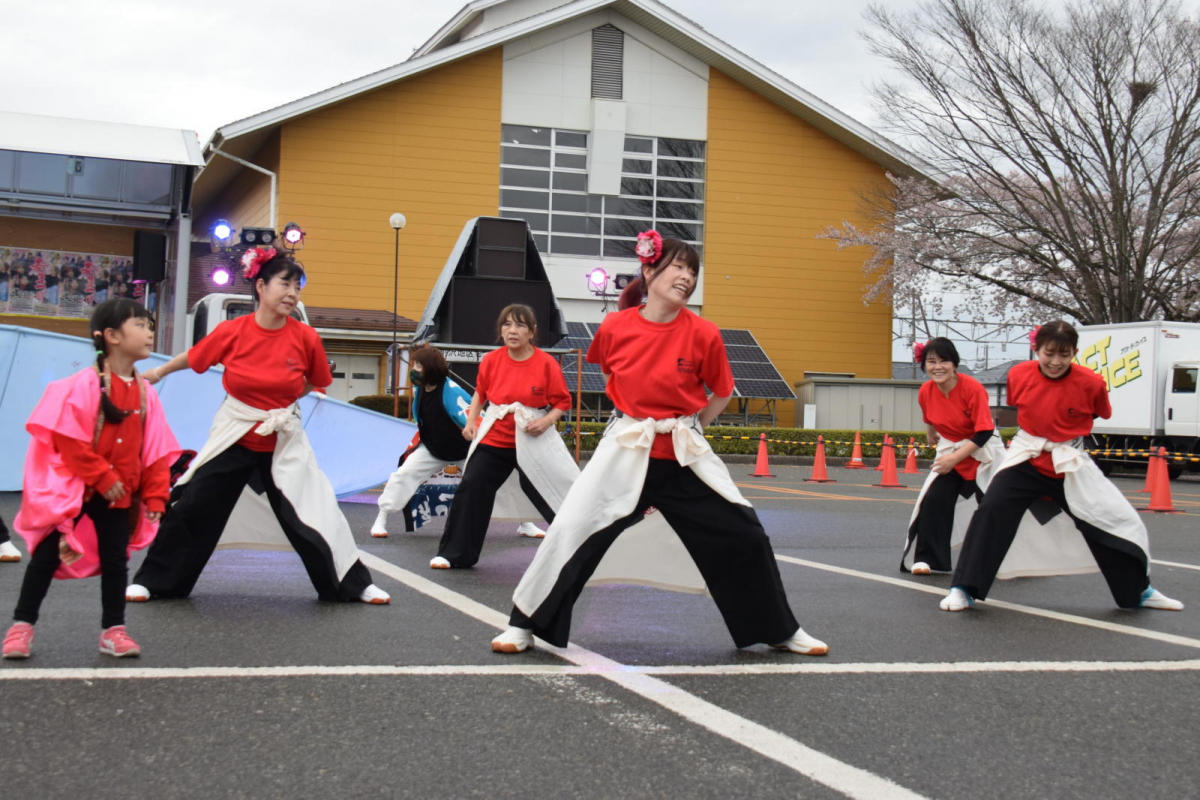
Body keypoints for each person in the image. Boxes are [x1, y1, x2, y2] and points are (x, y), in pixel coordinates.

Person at [490, 231, 828, 656]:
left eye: (693, 270)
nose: (687, 276)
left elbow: (722, 391)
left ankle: (779, 629)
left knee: (745, 534)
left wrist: (690, 425)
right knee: (573, 528)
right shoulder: (615, 326)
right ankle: (523, 624)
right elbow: (610, 373)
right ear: (649, 270)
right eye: (678, 266)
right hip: (627, 449)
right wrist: (637, 416)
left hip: (683, 453)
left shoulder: (704, 333)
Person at [125, 247, 390, 605]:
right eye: (285, 283)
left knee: (318, 509)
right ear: (261, 286)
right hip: (236, 432)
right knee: (193, 505)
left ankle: (352, 585)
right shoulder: (233, 331)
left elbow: (315, 380)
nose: (292, 293)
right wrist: (158, 371)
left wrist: (286, 401)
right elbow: (197, 356)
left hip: (282, 436)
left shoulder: (306, 338)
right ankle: (156, 581)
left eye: (298, 286)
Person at [941, 320, 1184, 613]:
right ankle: (963, 588)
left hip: (1069, 459)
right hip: (1027, 456)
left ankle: (1139, 591)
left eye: (1064, 355)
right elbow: (1024, 409)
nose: (1056, 362)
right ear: (1037, 349)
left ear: (1074, 353)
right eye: (1049, 353)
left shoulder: (1091, 383)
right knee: (992, 511)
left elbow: (1100, 412)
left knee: (1111, 518)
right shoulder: (1019, 374)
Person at [2, 299, 181, 659]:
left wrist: (157, 497)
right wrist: (101, 476)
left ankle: (113, 631)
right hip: (75, 495)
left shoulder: (146, 394)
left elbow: (156, 452)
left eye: (149, 326)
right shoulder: (80, 386)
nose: (149, 333)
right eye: (142, 325)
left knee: (116, 561)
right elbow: (67, 439)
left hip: (120, 497)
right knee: (46, 557)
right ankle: (21, 627)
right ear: (113, 336)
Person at [429, 304, 575, 569]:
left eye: (520, 325)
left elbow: (563, 402)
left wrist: (545, 421)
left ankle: (577, 551)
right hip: (495, 437)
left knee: (557, 490)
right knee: (472, 486)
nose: (513, 330)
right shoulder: (492, 360)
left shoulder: (546, 363)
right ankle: (455, 555)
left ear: (532, 332)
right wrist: (471, 421)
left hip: (533, 438)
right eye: (507, 325)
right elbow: (480, 393)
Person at [370, 344, 547, 539]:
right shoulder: (420, 388)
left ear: (431, 368)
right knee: (403, 475)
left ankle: (525, 523)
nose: (414, 369)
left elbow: (477, 418)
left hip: (467, 450)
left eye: (419, 365)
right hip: (432, 449)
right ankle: (382, 517)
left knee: (504, 481)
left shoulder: (451, 391)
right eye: (415, 364)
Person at [902, 337, 1001, 575]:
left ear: (954, 364)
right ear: (924, 366)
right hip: (950, 450)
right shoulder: (926, 390)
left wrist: (954, 459)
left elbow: (985, 431)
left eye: (944, 361)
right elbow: (929, 417)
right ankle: (929, 560)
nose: (938, 367)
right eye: (931, 361)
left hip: (982, 452)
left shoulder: (972, 388)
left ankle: (999, 559)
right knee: (934, 500)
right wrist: (931, 434)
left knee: (993, 506)